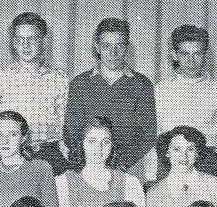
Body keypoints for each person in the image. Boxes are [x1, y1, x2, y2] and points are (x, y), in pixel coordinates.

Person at [65, 18, 156, 179]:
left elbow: (147, 133)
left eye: (119, 46)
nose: (113, 53)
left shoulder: (142, 84)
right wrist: (89, 162)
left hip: (127, 169)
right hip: (87, 166)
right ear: (97, 47)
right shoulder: (80, 83)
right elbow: (72, 131)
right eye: (106, 46)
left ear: (126, 47)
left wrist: (121, 162)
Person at [0, 12, 70, 175]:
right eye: (20, 40)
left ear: (44, 42)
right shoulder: (0, 77)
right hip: (11, 153)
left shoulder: (59, 78)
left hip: (48, 154)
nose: (25, 45)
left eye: (32, 39)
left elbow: (63, 123)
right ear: (13, 43)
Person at [57, 116, 146, 207]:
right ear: (82, 144)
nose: (99, 148)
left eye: (105, 142)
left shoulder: (130, 183)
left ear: (112, 145)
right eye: (92, 141)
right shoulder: (63, 182)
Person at [151, 25, 217, 180]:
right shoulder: (160, 89)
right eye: (185, 54)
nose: (191, 60)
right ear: (174, 55)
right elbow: (154, 134)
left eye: (197, 54)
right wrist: (152, 175)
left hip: (206, 162)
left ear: (205, 55)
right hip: (169, 163)